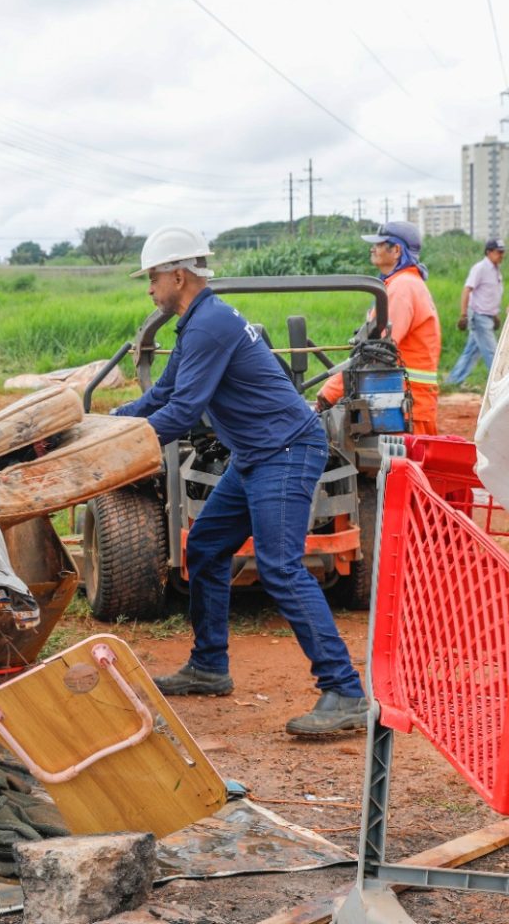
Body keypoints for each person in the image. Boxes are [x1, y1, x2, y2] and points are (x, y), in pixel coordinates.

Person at [113, 225, 368, 739]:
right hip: (256, 454)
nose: (149, 289)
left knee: (280, 567)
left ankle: (345, 692)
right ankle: (209, 666)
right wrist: (111, 422)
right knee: (206, 548)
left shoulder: (210, 324)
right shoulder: (196, 324)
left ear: (178, 275)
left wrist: (123, 447)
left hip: (286, 452)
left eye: (153, 279)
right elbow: (162, 395)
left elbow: (183, 411)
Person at [317, 220, 442, 434]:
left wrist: (330, 392)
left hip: (401, 404)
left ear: (396, 250)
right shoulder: (405, 283)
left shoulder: (402, 288)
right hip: (405, 402)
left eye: (379, 243)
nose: (372, 248)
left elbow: (377, 351)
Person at [446, 239, 507, 386]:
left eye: (503, 252)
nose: (502, 255)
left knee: (471, 352)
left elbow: (489, 294)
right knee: (492, 352)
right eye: (499, 252)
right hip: (479, 317)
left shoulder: (496, 270)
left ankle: (452, 382)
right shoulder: (480, 268)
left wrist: (495, 315)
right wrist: (463, 315)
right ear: (489, 252)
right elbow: (467, 290)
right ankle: (501, 384)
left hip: (487, 316)